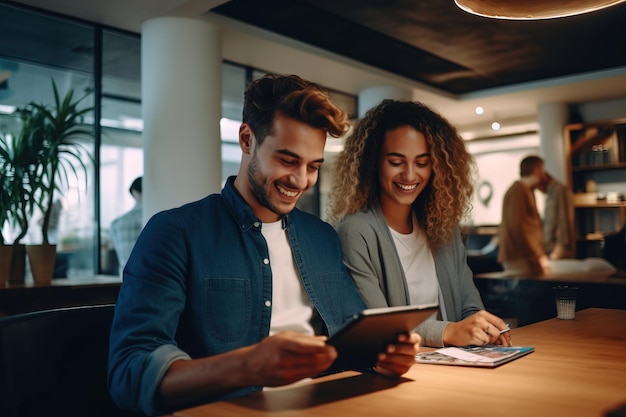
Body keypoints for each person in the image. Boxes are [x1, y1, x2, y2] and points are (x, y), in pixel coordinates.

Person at [107, 75, 420, 416]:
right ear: (246, 139)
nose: (301, 180)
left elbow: (351, 344)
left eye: (313, 166)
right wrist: (246, 366)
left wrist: (384, 358)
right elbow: (128, 373)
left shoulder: (323, 237)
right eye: (287, 160)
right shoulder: (174, 233)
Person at [328, 99, 511, 348]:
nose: (410, 175)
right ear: (372, 163)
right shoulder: (356, 232)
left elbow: (469, 305)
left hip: (454, 368)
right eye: (396, 162)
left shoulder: (445, 230)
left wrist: (483, 328)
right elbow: (379, 326)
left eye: (422, 163)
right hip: (400, 372)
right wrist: (450, 331)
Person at [498, 155, 551, 276]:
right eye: (542, 169)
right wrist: (535, 256)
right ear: (537, 170)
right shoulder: (518, 190)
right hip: (519, 256)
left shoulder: (525, 190)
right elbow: (517, 226)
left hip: (523, 255)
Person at [537, 172, 575, 259]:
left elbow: (564, 221)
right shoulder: (550, 194)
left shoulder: (560, 190)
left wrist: (559, 250)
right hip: (551, 248)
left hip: (558, 249)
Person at [110, 176, 143, 276]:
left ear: (134, 191)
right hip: (151, 279)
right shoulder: (153, 217)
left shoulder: (116, 223)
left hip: (125, 278)